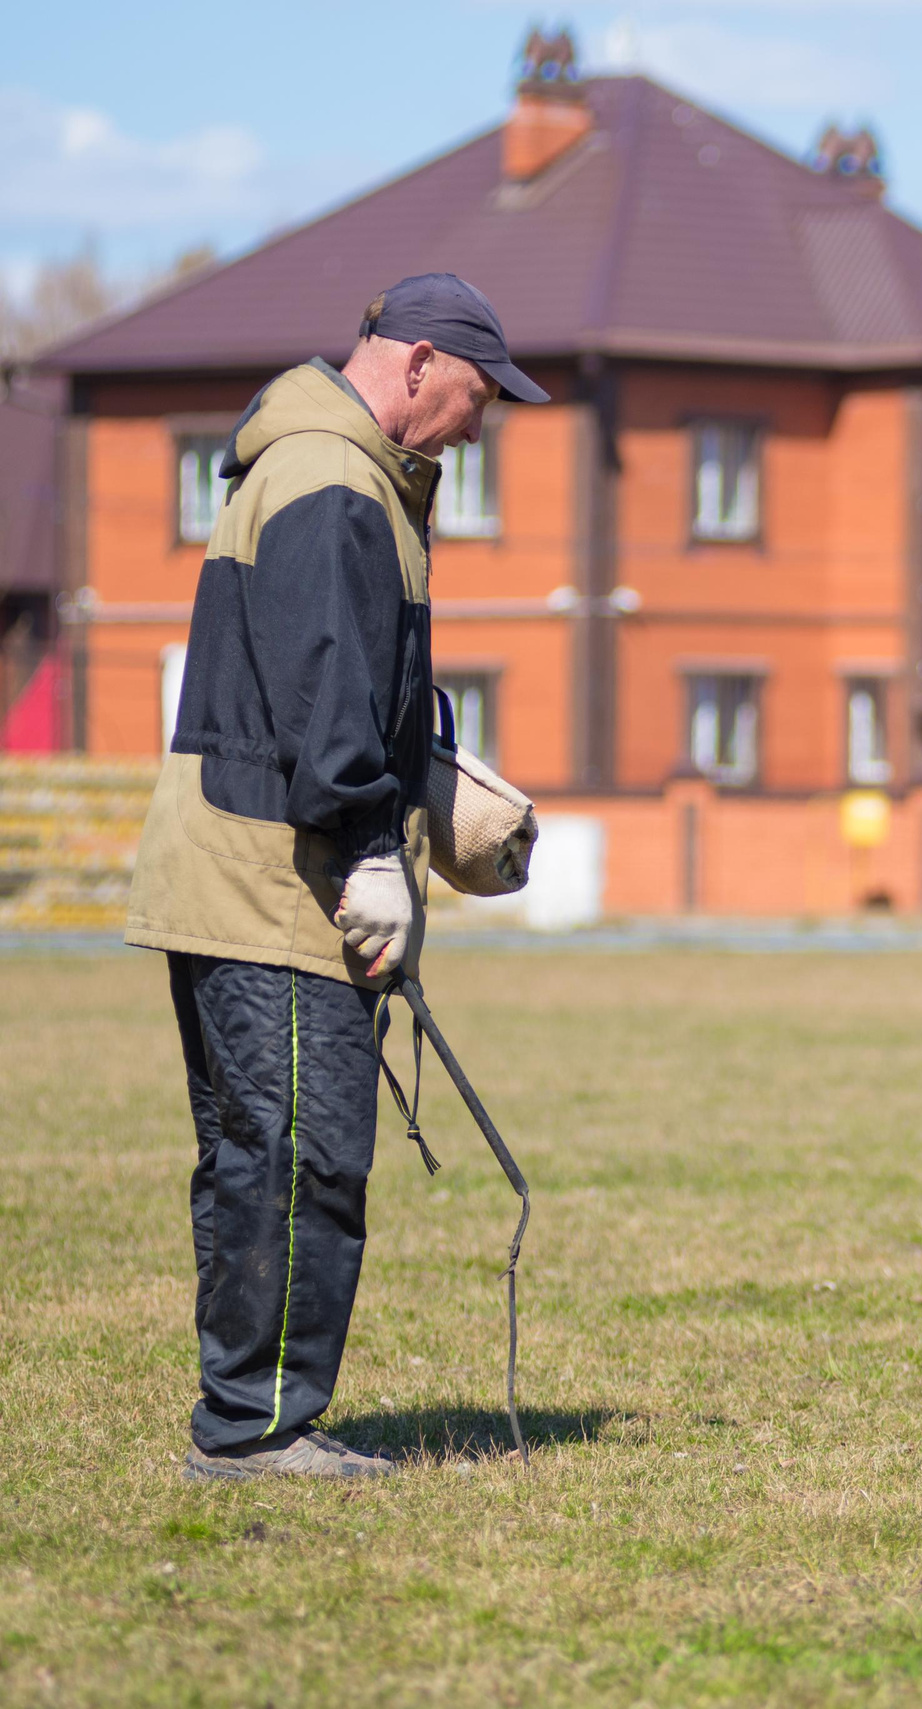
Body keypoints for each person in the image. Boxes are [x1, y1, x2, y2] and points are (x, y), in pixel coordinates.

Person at [125, 274, 547, 1480]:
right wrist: (370, 845)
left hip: (245, 870)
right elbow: (321, 695)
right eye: (474, 398)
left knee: (261, 1149)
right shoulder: (333, 480)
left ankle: (247, 1413)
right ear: (417, 365)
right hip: (277, 882)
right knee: (301, 1155)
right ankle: (259, 1429)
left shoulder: (333, 469)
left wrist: (434, 757)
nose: (477, 428)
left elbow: (353, 676)